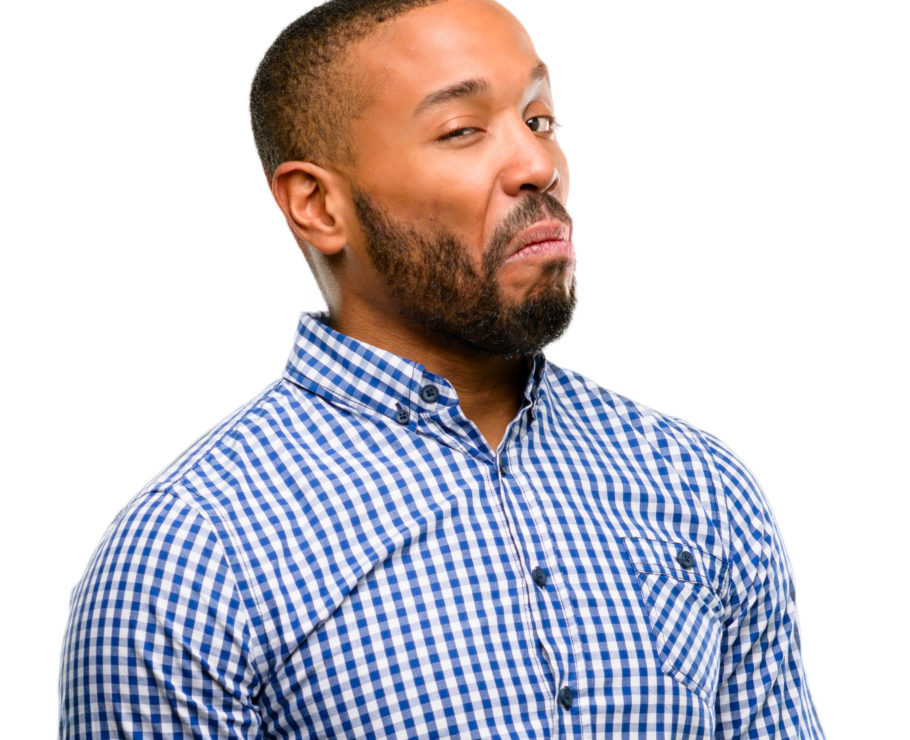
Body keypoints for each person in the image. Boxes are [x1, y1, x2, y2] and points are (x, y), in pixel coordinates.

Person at [60, 0, 824, 737]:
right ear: (318, 205)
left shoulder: (696, 483)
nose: (538, 165)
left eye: (540, 120)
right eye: (463, 130)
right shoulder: (188, 559)